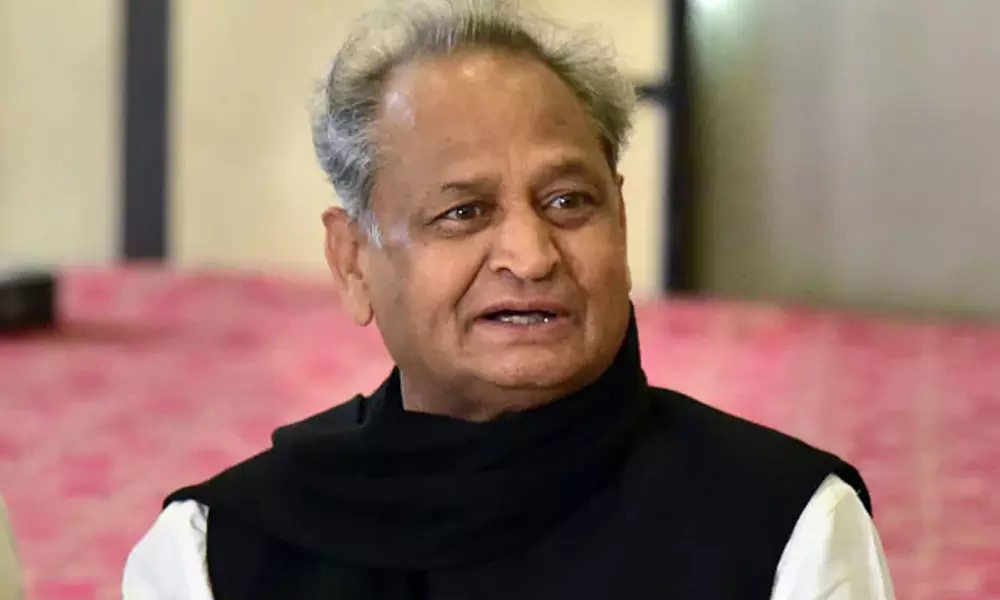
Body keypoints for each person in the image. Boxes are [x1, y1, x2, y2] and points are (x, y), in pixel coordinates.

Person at [123, 1, 896, 598]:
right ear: (353, 262)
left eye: (568, 202)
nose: (531, 256)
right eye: (463, 212)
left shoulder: (784, 526)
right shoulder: (216, 553)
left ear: (621, 221)